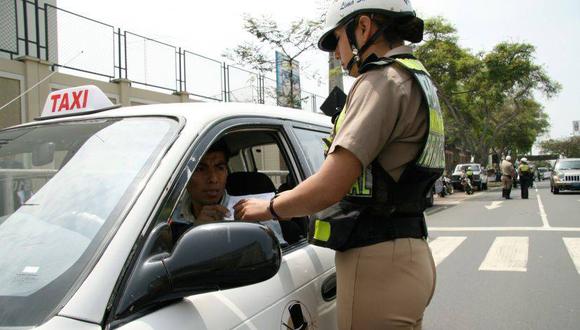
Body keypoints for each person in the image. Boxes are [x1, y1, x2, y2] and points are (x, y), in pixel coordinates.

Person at [235, 1, 442, 328]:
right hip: (410, 256)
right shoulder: (416, 78)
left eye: (338, 40)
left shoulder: (381, 81)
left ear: (363, 27)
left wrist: (267, 208)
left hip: (377, 266)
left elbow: (329, 186)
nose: (336, 54)